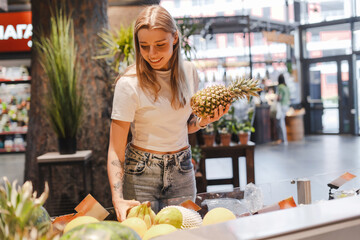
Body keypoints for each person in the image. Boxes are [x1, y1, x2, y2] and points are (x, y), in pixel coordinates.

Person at [107, 5, 230, 222]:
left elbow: (185, 125)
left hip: (182, 170)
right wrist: (117, 199)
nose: (152, 54)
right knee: (145, 233)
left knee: (188, 232)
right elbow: (116, 150)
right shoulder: (129, 83)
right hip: (141, 174)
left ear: (174, 38)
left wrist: (203, 122)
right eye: (144, 46)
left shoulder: (190, 72)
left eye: (160, 45)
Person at [276, 74, 290, 145]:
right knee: (282, 122)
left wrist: (276, 98)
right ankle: (283, 139)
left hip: (281, 106)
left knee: (281, 123)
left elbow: (279, 97)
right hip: (286, 106)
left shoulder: (280, 87)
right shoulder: (286, 86)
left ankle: (283, 139)